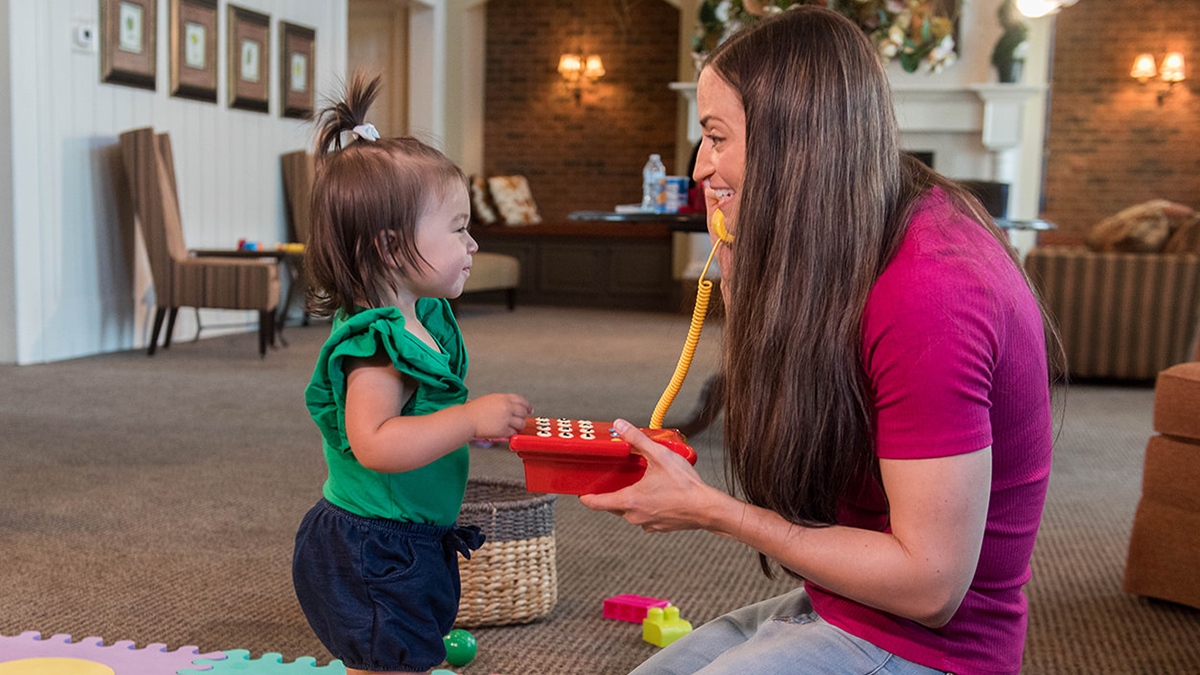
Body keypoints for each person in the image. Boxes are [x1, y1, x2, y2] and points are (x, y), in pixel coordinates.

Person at [581, 6, 1064, 675]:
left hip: (930, 647)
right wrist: (743, 278)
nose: (700, 168)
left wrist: (712, 511)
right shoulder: (864, 220)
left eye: (716, 137)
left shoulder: (932, 292)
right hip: (848, 604)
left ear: (793, 145)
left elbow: (930, 587)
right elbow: (796, 446)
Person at [292, 73, 531, 675]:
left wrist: (462, 430)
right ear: (392, 247)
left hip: (405, 539)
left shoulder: (423, 319)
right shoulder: (375, 346)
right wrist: (467, 416)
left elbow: (416, 420)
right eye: (457, 228)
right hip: (374, 548)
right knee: (387, 659)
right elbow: (375, 442)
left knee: (401, 653)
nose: (473, 244)